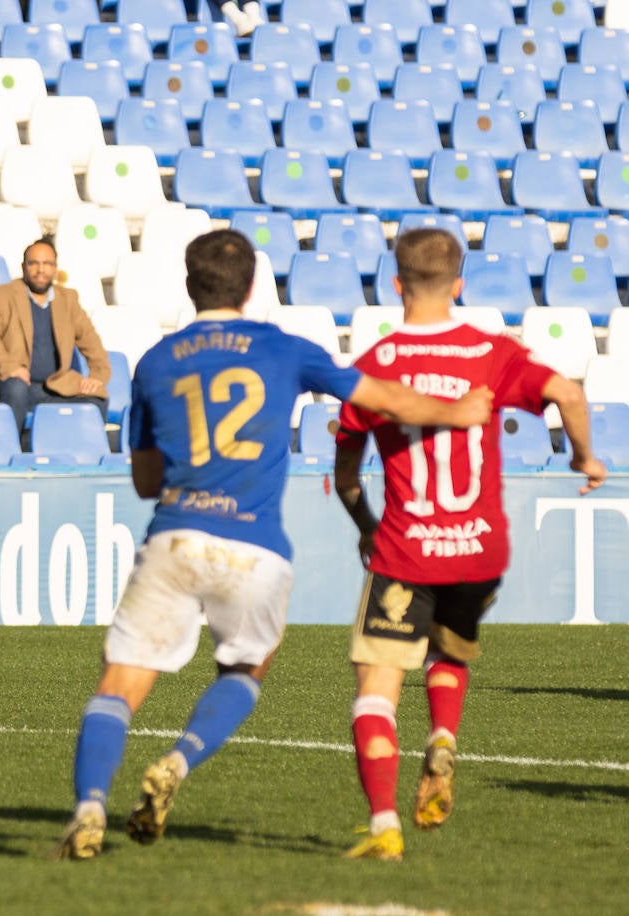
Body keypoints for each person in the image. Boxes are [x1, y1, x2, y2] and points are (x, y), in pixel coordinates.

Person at [52, 229, 494, 861]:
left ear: (188, 284)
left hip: (176, 534)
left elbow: (147, 481)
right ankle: (179, 760)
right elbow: (380, 397)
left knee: (120, 681)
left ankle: (89, 805)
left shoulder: (155, 360)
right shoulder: (286, 349)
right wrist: (455, 413)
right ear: (254, 286)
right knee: (247, 666)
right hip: (255, 547)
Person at [332, 228, 607, 861]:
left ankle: (383, 826)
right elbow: (567, 391)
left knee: (376, 684)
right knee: (448, 650)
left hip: (406, 550)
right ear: (459, 285)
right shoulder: (491, 351)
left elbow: (346, 476)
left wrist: (367, 528)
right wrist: (584, 457)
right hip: (478, 552)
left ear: (394, 284)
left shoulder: (374, 366)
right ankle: (445, 737)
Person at [0, 239, 111, 436]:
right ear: (23, 267)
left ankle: (78, 456)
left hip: (54, 387)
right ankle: (9, 451)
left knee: (98, 398)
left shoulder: (68, 299)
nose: (40, 270)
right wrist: (9, 367)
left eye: (47, 264)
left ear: (55, 269)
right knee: (16, 388)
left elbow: (90, 340)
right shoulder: (0, 297)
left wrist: (97, 377)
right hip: (13, 385)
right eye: (33, 263)